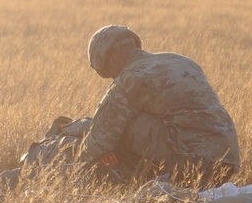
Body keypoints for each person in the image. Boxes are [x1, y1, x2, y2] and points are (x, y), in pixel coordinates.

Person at [78, 25, 240, 189]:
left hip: (193, 164)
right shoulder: (180, 60)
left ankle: (130, 186)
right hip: (228, 161)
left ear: (110, 56)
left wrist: (82, 151)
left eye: (107, 70)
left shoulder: (130, 77)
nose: (112, 76)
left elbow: (98, 142)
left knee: (121, 127)